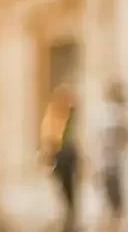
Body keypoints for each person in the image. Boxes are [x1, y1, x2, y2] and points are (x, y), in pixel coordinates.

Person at [40, 85, 79, 232]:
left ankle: (68, 220)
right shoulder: (54, 117)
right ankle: (65, 219)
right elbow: (50, 139)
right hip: (61, 156)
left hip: (66, 156)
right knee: (64, 191)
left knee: (68, 191)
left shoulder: (65, 118)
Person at [100, 81, 128, 230]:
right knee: (115, 207)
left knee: (111, 206)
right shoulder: (116, 114)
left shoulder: (106, 113)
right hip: (112, 166)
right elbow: (122, 139)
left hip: (108, 165)